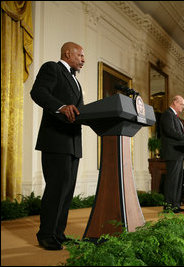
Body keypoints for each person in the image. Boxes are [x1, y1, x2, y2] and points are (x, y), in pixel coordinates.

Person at [30, 42, 85, 250]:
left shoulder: (75, 80)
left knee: (67, 190)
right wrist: (60, 107)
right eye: (80, 55)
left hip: (73, 143)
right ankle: (45, 234)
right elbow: (38, 92)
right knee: (56, 189)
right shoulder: (52, 68)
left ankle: (58, 233)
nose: (83, 59)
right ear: (67, 53)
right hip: (55, 140)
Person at [160, 95, 184, 213]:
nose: (183, 107)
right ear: (175, 102)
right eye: (181, 104)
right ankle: (169, 206)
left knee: (178, 181)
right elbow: (170, 131)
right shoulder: (167, 114)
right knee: (172, 180)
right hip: (172, 152)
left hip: (178, 153)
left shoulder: (176, 117)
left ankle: (176, 205)